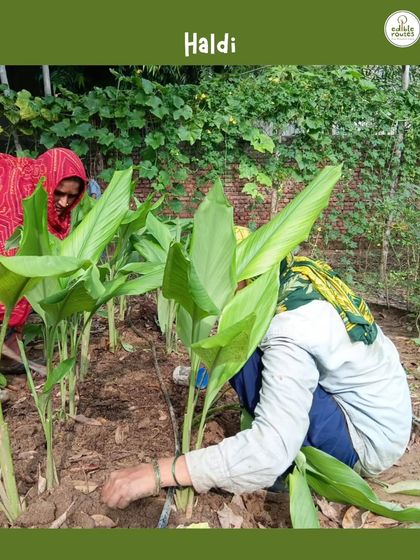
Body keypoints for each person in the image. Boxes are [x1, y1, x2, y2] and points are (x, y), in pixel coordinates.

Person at [101, 237, 412, 510]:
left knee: (242, 346)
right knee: (237, 342)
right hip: (384, 415)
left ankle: (292, 471)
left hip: (362, 442)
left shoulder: (287, 329)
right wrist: (201, 374)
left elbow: (270, 449)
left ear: (243, 280)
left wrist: (159, 472)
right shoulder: (293, 274)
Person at [0, 147, 87, 373]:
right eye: (59, 193)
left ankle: (9, 350)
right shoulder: (20, 194)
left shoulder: (46, 199)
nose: (65, 202)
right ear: (48, 182)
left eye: (73, 196)